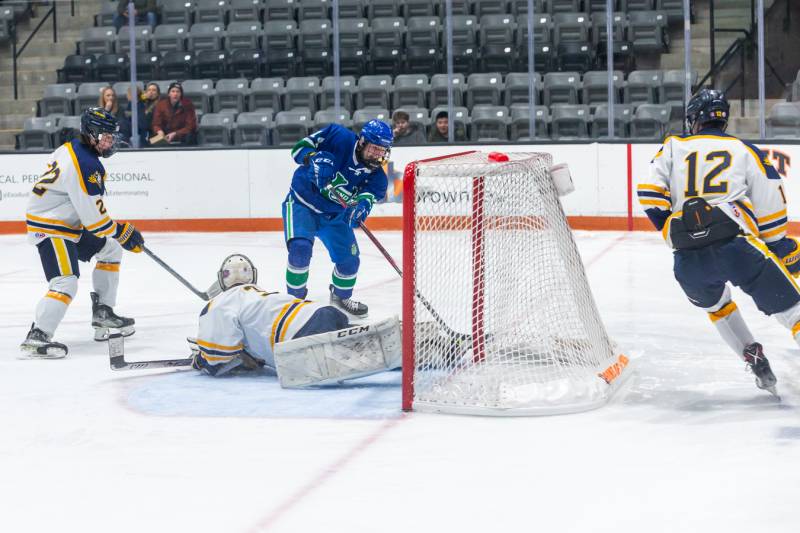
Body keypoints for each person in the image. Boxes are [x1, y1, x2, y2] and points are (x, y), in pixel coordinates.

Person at [638, 88, 800, 397]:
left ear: (695, 119)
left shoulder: (673, 146)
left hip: (688, 258)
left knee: (718, 306)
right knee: (794, 310)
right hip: (737, 247)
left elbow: (649, 194)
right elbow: (770, 206)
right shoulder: (744, 150)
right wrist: (779, 246)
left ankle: (753, 358)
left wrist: (673, 234)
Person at [20, 108, 145, 359]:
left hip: (66, 223)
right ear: (92, 134)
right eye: (107, 137)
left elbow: (88, 215)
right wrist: (121, 231)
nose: (111, 142)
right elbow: (95, 221)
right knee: (65, 281)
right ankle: (38, 336)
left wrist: (117, 235)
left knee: (110, 249)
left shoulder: (73, 147)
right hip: (51, 227)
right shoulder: (85, 164)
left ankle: (103, 315)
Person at [191, 254, 401, 383]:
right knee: (361, 350)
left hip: (301, 339)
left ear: (222, 280)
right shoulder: (258, 295)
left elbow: (218, 356)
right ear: (252, 276)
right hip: (322, 313)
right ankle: (406, 347)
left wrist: (201, 361)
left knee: (343, 358)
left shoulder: (219, 303)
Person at [282, 119, 393, 318]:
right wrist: (312, 157)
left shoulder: (378, 178)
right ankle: (295, 303)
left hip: (334, 216)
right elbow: (298, 149)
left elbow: (367, 198)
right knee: (300, 249)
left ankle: (340, 297)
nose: (378, 154)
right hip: (301, 204)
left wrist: (361, 208)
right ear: (361, 142)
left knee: (350, 262)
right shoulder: (337, 136)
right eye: (375, 148)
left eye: (382, 150)